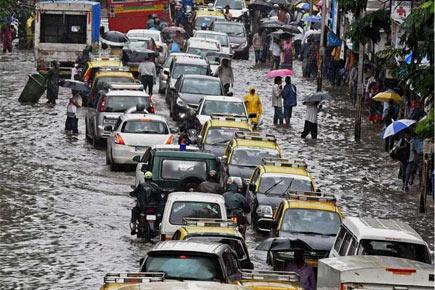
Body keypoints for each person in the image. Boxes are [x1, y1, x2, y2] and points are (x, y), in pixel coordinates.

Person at [129, 171, 163, 235]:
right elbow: (160, 198)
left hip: (143, 208)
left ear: (145, 178)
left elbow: (135, 193)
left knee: (134, 211)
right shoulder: (156, 186)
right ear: (151, 178)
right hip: (154, 208)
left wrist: (132, 193)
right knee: (160, 215)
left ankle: (133, 226)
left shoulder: (141, 185)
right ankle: (158, 227)